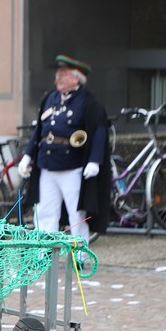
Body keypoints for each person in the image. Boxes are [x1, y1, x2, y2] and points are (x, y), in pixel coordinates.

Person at [18, 54, 111, 246]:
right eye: (58, 73)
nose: (58, 78)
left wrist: (94, 161)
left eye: (63, 74)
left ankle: (79, 255)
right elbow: (40, 130)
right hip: (47, 164)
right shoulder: (50, 98)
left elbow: (99, 130)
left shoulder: (88, 102)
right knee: (45, 212)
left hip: (72, 165)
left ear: (76, 78)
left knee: (76, 214)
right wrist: (28, 155)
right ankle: (44, 254)